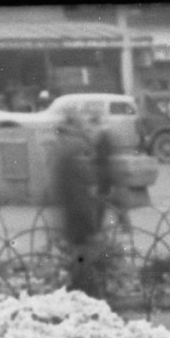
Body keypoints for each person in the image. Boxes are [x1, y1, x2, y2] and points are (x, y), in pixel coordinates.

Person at [51, 120, 106, 297]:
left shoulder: (63, 161)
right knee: (82, 258)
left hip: (72, 218)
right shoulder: (74, 164)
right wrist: (91, 225)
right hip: (79, 220)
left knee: (79, 255)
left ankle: (80, 289)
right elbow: (81, 198)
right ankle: (84, 292)